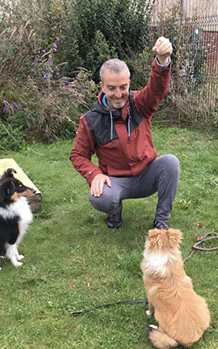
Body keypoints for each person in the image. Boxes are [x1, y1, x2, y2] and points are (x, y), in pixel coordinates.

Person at [70, 36, 179, 230]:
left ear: (129, 83)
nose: (118, 94)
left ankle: (162, 220)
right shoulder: (90, 120)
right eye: (111, 88)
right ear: (102, 86)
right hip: (115, 183)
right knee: (100, 197)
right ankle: (114, 211)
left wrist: (163, 62)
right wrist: (93, 174)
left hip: (146, 175)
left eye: (123, 87)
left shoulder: (140, 103)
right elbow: (78, 154)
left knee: (170, 162)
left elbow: (157, 90)